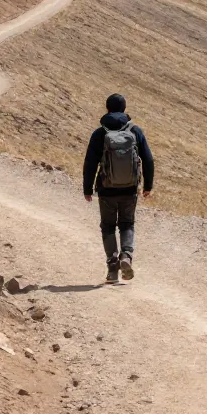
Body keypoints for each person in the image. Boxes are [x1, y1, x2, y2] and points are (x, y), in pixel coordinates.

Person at [83, 93, 154, 284]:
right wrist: (147, 186)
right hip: (130, 188)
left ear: (107, 109)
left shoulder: (100, 133)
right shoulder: (135, 131)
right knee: (127, 223)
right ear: (124, 109)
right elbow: (148, 159)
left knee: (107, 226)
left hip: (106, 189)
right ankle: (126, 257)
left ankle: (112, 269)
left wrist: (87, 188)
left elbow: (90, 162)